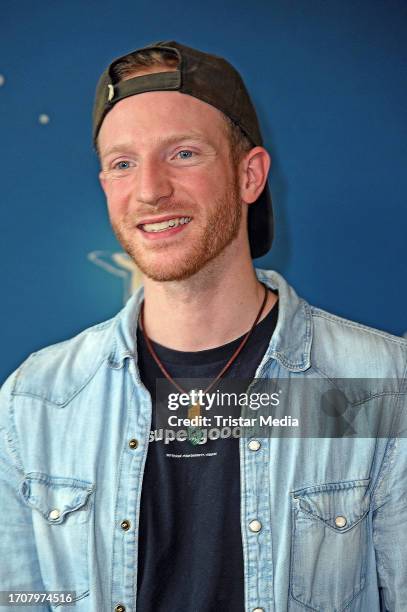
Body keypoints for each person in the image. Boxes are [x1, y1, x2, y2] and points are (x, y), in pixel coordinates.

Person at [0, 40, 406, 612]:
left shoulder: (381, 386)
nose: (149, 189)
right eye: (123, 163)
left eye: (184, 153)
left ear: (250, 176)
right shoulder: (35, 403)